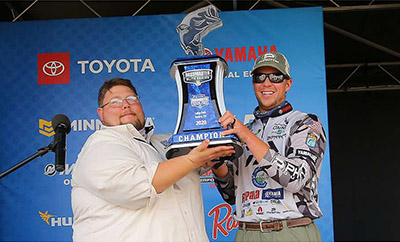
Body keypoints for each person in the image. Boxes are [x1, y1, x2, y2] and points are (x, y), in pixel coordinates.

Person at [71, 78, 235, 242]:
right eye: (115, 102)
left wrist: (217, 136)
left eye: (132, 99)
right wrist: (191, 161)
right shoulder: (100, 145)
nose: (126, 105)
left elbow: (207, 159)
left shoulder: (166, 143)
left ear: (141, 105)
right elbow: (137, 189)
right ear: (101, 113)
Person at [212, 52, 327, 242]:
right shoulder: (243, 132)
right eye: (260, 77)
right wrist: (216, 163)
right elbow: (231, 194)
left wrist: (246, 136)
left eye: (275, 77)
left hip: (291, 230)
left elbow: (296, 179)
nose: (267, 83)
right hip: (247, 232)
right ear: (253, 83)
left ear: (287, 84)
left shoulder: (305, 123)